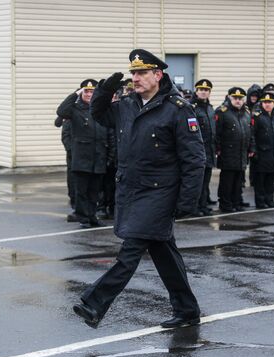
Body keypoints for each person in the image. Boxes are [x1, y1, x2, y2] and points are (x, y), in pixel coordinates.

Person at [73, 49, 205, 329]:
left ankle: (94, 303)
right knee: (163, 252)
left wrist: (187, 200)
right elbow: (98, 113)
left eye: (142, 72)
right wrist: (106, 87)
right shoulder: (127, 105)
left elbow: (194, 159)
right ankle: (187, 310)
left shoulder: (177, 109)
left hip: (160, 193)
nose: (136, 78)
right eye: (133, 73)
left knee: (131, 249)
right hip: (132, 190)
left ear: (158, 75)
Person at [56, 79, 109, 228]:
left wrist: (108, 156)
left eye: (92, 92)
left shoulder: (100, 110)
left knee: (95, 191)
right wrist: (75, 94)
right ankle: (83, 218)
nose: (89, 94)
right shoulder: (74, 109)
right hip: (82, 159)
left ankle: (92, 216)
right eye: (86, 91)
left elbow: (108, 133)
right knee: (81, 192)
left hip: (98, 157)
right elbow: (61, 111)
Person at [215, 87, 254, 212]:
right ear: (229, 98)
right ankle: (226, 204)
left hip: (242, 152)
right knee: (227, 181)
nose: (238, 101)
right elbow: (217, 133)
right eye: (235, 98)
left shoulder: (247, 113)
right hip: (228, 152)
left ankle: (236, 202)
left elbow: (250, 132)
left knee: (239, 180)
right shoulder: (222, 112)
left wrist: (251, 147)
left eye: (240, 99)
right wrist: (218, 148)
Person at [251, 92, 274, 208]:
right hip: (261, 152)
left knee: (270, 178)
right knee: (261, 179)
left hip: (273, 152)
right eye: (265, 102)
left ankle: (269, 199)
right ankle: (260, 201)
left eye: (270, 102)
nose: (267, 105)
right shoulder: (257, 117)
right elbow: (252, 135)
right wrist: (254, 151)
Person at [191, 79, 216, 215]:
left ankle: (203, 205)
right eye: (201, 90)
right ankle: (194, 207)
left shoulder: (210, 108)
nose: (203, 92)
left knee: (205, 182)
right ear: (196, 91)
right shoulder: (191, 107)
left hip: (209, 151)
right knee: (196, 182)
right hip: (197, 151)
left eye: (206, 90)